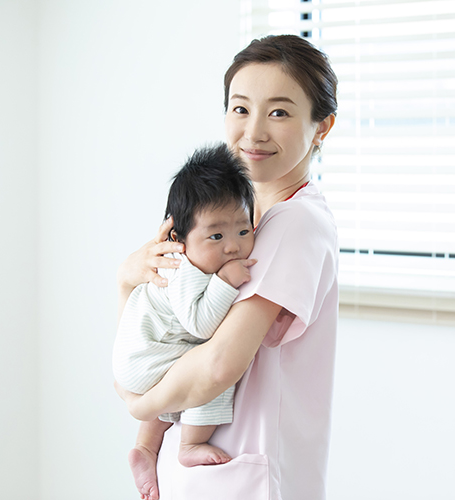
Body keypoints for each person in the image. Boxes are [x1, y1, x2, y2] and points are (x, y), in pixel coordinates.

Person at [115, 34, 338, 500]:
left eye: (278, 111)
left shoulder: (295, 222)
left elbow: (218, 365)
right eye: (240, 108)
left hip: (246, 475)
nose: (253, 131)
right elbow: (157, 327)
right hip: (199, 466)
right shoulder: (231, 217)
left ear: (322, 127)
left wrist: (142, 403)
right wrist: (127, 277)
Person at [113, 144, 258, 479]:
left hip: (138, 357)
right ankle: (190, 445)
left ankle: (145, 449)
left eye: (243, 229)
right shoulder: (182, 268)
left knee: (176, 375)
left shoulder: (184, 260)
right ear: (178, 237)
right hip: (144, 360)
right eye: (216, 235)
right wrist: (224, 282)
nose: (233, 246)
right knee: (207, 370)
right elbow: (201, 324)